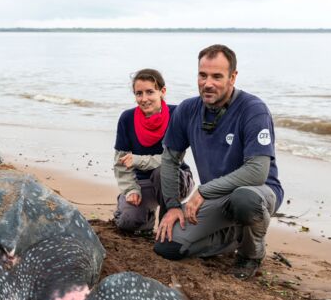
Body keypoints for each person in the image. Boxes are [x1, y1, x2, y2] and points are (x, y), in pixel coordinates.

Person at [154, 44, 283, 280]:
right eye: (202, 75)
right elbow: (170, 160)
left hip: (257, 193)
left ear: (232, 77)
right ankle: (235, 235)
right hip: (217, 198)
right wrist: (172, 205)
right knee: (167, 247)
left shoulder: (254, 110)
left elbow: (257, 171)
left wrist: (203, 190)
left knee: (244, 200)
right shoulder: (187, 110)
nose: (208, 83)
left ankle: (251, 254)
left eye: (217, 76)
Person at [113, 68, 194, 237]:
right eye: (139, 93)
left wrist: (138, 160)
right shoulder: (127, 119)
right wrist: (130, 189)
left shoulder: (177, 115)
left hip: (176, 179)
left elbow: (172, 161)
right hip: (142, 182)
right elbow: (121, 163)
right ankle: (144, 217)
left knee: (161, 172)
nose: (144, 99)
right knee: (128, 222)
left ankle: (169, 218)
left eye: (150, 92)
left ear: (162, 91)